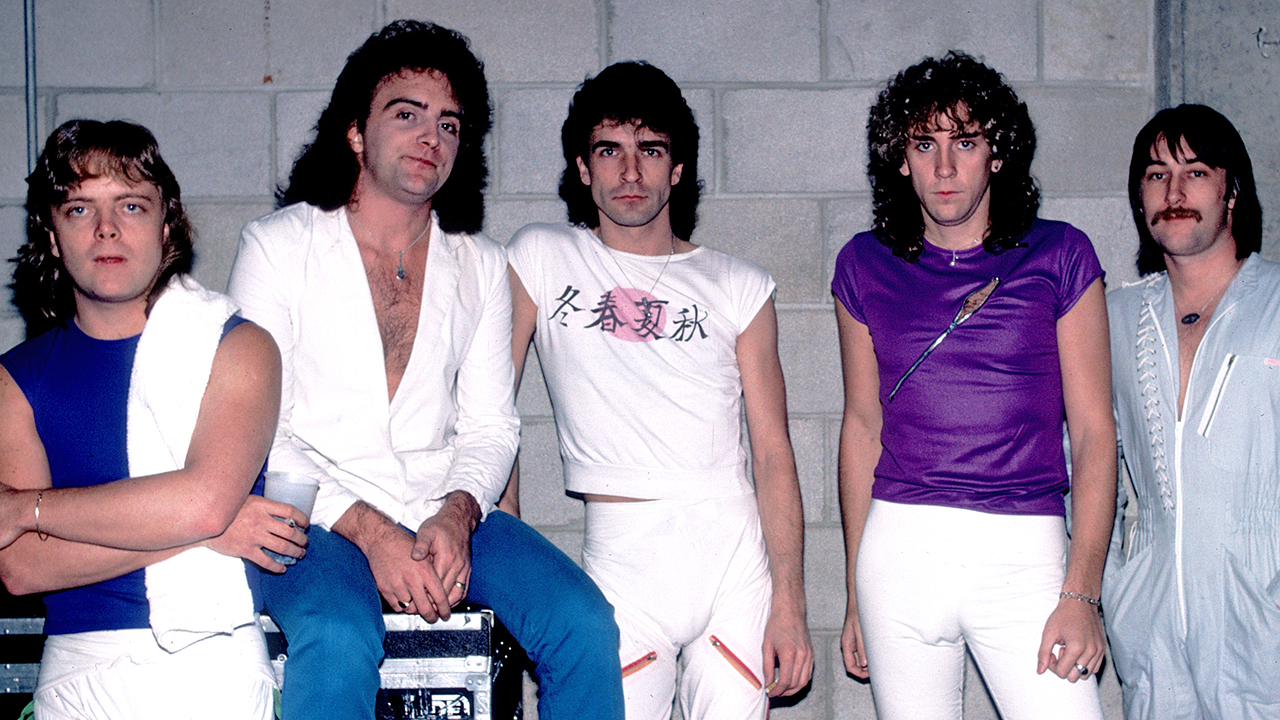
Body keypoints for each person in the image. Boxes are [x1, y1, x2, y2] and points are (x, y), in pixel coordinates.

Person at [228, 20, 624, 720]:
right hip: (316, 511)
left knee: (583, 622)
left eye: (449, 123)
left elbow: (491, 426)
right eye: (406, 115)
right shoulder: (278, 245)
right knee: (339, 632)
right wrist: (374, 534)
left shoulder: (480, 263)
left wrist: (460, 511)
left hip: (440, 501)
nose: (430, 138)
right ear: (356, 131)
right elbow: (257, 430)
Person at [506, 61, 813, 720]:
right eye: (609, 151)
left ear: (676, 169)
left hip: (731, 553)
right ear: (583, 169)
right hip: (624, 558)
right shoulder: (539, 257)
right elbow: (488, 412)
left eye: (650, 151)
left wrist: (790, 602)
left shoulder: (739, 286)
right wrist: (507, 550)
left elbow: (774, 454)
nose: (629, 171)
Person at [832, 51, 1114, 718]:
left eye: (965, 141)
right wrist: (853, 594)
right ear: (900, 159)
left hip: (1024, 556)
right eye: (923, 143)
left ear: (997, 153)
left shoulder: (1061, 254)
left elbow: (1097, 432)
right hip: (898, 556)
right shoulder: (861, 264)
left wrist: (1082, 592)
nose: (944, 166)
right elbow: (861, 427)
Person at [0, 119, 307, 719]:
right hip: (78, 672)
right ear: (53, 235)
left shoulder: (237, 347)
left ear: (166, 226)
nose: (108, 228)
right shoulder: (16, 378)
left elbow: (203, 502)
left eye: (132, 205)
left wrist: (26, 508)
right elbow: (21, 566)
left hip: (214, 666)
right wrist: (206, 531)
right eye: (80, 209)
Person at [1103, 104, 1279, 719]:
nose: (1174, 192)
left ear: (1232, 190)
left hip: (1264, 621)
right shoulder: (1113, 319)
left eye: (1195, 171)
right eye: (1155, 175)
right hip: (1152, 632)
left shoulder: (1278, 306)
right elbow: (1081, 465)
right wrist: (1109, 590)